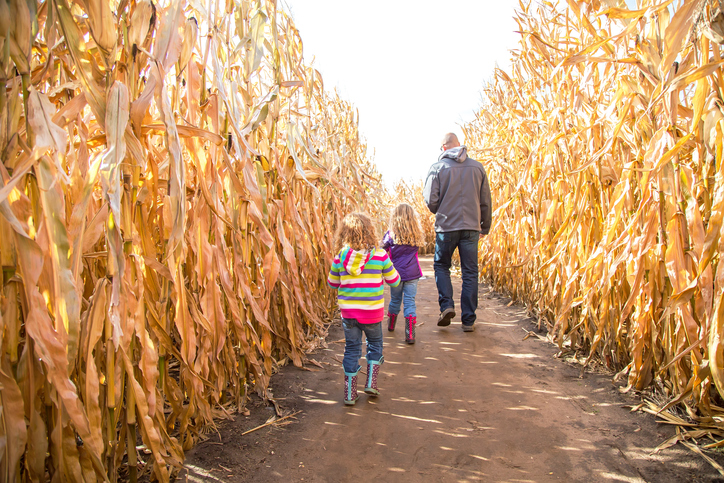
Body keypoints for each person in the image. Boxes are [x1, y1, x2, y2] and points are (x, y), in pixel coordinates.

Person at [327, 213, 401, 405]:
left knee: (351, 349)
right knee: (375, 344)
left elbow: (332, 283)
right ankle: (371, 383)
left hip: (349, 314)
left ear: (345, 234)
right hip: (372, 313)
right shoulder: (380, 256)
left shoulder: (340, 257)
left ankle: (350, 394)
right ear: (370, 231)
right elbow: (395, 281)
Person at [423, 133, 492, 332]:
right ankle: (468, 320)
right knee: (470, 272)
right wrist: (484, 226)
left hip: (446, 226)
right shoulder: (477, 167)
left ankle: (447, 306)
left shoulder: (437, 168)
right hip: (471, 227)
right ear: (460, 145)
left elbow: (430, 200)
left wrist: (440, 209)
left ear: (443, 148)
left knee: (441, 265)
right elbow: (485, 200)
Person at [382, 203, 424, 344]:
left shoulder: (390, 235)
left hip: (396, 274)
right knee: (409, 301)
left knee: (395, 300)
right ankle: (410, 334)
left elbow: (382, 250)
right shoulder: (415, 233)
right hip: (413, 274)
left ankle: (391, 325)